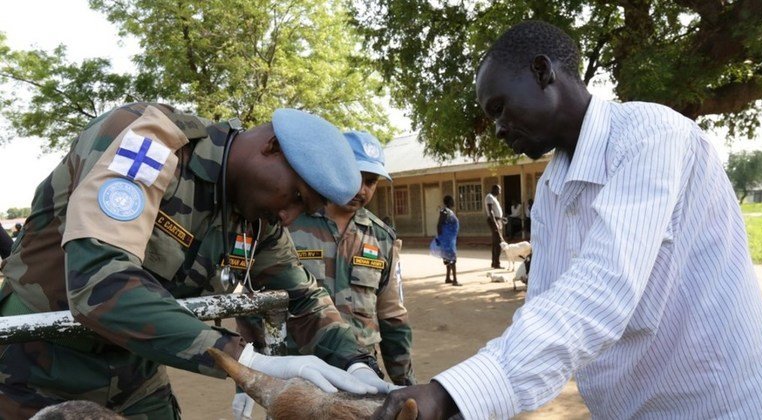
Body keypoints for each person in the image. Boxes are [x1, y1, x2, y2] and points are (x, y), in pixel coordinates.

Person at [375, 20, 762, 419]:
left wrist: (453, 394)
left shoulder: (652, 136)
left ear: (542, 71)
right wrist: (472, 404)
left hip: (717, 403)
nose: (497, 128)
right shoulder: (550, 190)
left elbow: (602, 288)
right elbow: (547, 310)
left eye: (499, 108)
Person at [0, 102, 395, 419]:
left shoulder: (257, 219)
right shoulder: (151, 141)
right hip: (34, 362)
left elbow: (303, 298)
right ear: (271, 147)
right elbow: (98, 283)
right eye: (295, 198)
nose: (289, 218)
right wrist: (243, 357)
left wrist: (357, 364)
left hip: (134, 369)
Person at [286, 131, 416, 390]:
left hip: (362, 373)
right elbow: (260, 306)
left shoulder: (382, 239)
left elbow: (392, 316)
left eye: (371, 181)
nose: (362, 190)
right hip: (301, 372)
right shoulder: (288, 226)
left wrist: (407, 384)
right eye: (356, 177)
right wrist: (245, 384)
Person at [431, 195, 459, 286]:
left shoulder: (449, 211)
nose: (454, 202)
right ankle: (455, 280)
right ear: (449, 201)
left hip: (450, 239)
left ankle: (448, 278)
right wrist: (440, 238)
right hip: (446, 240)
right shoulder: (445, 211)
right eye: (452, 200)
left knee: (448, 258)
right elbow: (439, 225)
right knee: (452, 259)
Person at [484, 184, 505, 268]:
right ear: (494, 189)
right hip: (494, 220)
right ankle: (497, 263)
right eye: (499, 190)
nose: (500, 192)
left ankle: (494, 262)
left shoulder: (494, 198)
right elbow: (491, 211)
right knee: (499, 242)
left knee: (495, 242)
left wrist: (501, 218)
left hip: (497, 220)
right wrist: (495, 222)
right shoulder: (489, 197)